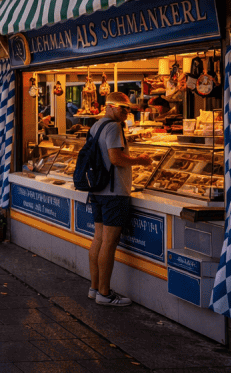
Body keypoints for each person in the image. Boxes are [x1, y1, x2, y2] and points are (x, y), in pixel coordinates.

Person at [87, 92, 152, 307]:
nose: (127, 112)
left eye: (128, 109)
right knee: (109, 242)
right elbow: (116, 158)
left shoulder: (96, 125)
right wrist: (141, 161)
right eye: (124, 108)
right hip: (114, 193)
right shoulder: (114, 127)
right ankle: (104, 294)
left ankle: (94, 288)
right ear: (112, 107)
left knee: (98, 239)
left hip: (97, 191)